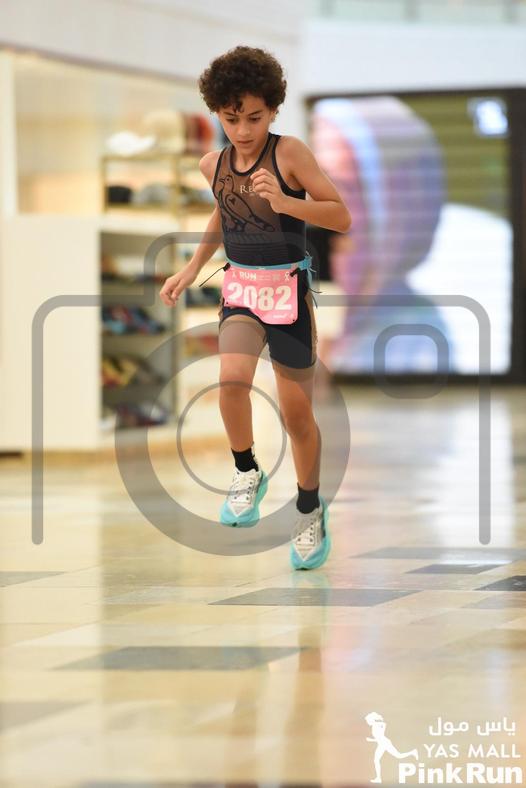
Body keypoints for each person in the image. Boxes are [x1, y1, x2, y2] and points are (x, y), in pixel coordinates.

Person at [159, 45, 351, 570]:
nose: (243, 130)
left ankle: (309, 507)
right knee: (231, 380)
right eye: (231, 118)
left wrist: (286, 203)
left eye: (254, 118)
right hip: (241, 290)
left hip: (287, 293)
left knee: (296, 414)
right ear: (215, 113)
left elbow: (341, 216)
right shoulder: (212, 163)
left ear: (273, 110)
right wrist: (190, 268)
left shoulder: (290, 155)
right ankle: (247, 469)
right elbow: (224, 215)